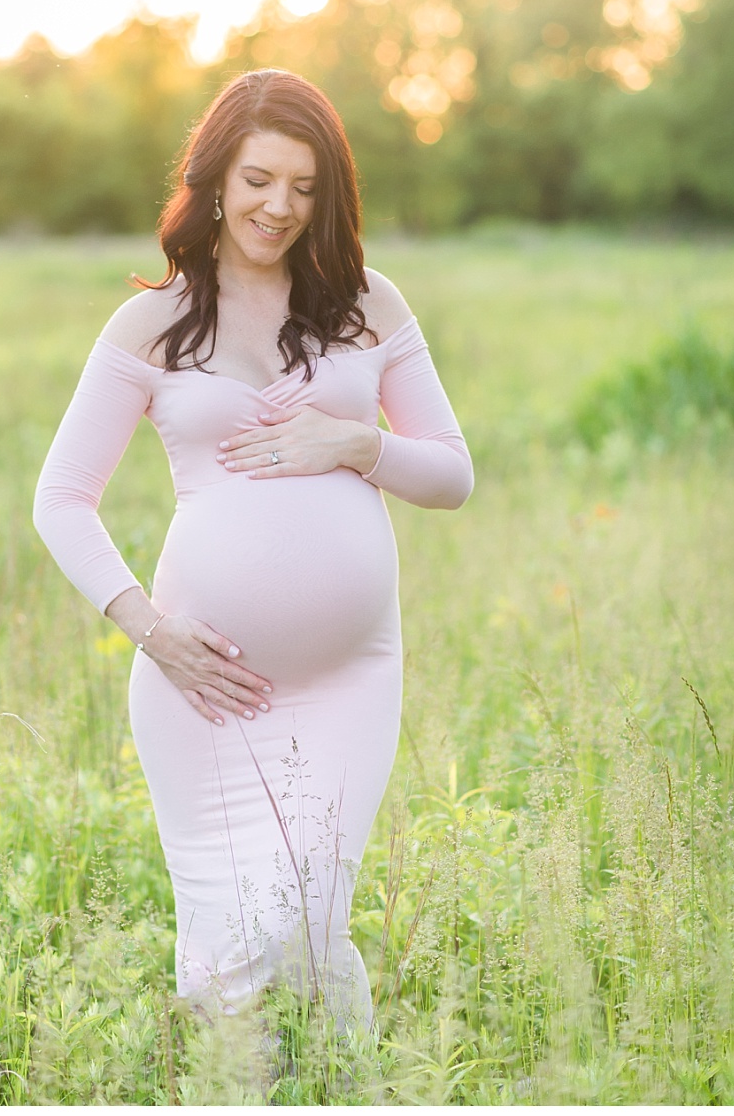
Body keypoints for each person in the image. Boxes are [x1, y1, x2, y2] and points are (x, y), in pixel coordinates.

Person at [34, 68, 473, 1031]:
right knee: (229, 960)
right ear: (216, 178)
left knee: (307, 925)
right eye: (262, 179)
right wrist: (150, 630)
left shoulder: (369, 305)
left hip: (348, 680)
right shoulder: (151, 323)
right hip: (203, 693)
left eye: (307, 188)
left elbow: (451, 475)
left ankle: (347, 1088)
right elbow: (62, 499)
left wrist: (356, 443)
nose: (281, 207)